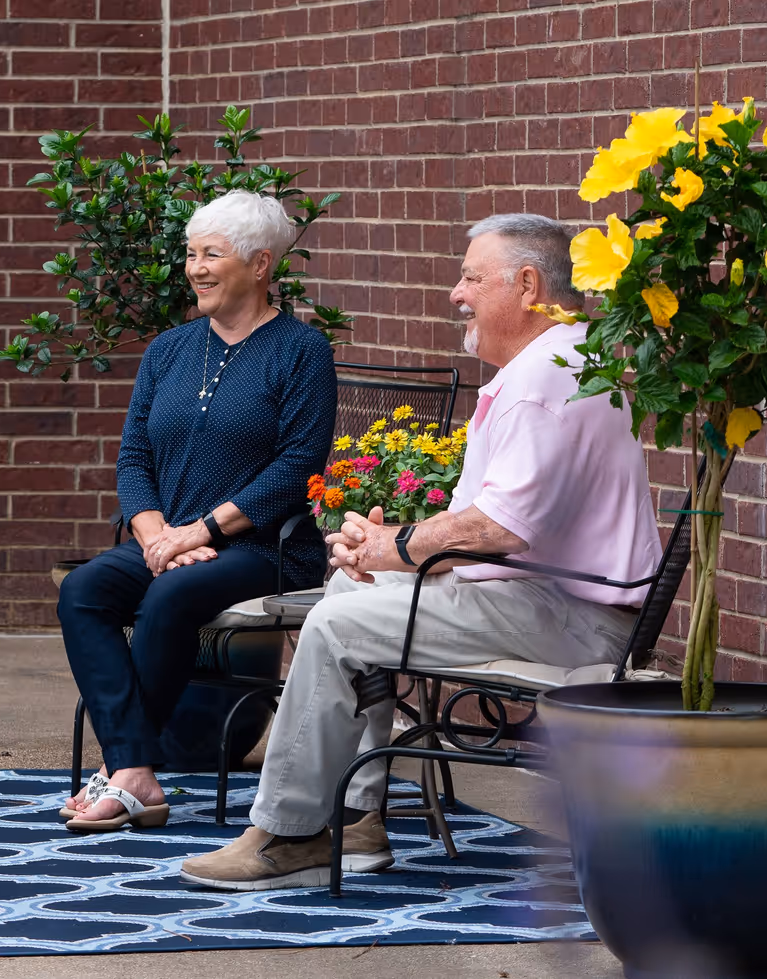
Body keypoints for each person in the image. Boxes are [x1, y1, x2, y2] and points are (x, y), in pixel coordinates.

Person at [180, 213, 664, 890]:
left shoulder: (546, 377)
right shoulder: (559, 362)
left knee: (337, 623)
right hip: (541, 595)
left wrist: (394, 544)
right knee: (352, 593)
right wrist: (381, 551)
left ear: (526, 285)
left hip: (569, 614)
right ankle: (356, 819)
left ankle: (286, 833)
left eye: (469, 276)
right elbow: (492, 520)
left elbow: (499, 528)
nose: (454, 293)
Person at [55, 191, 337, 833]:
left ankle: (126, 774)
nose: (195, 268)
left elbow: (296, 470)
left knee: (172, 595)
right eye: (191, 254)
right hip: (174, 540)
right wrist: (159, 536)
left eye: (213, 254)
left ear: (261, 265)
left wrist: (200, 533)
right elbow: (133, 458)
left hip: (265, 549)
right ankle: (137, 773)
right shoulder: (169, 350)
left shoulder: (301, 352)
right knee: (84, 590)